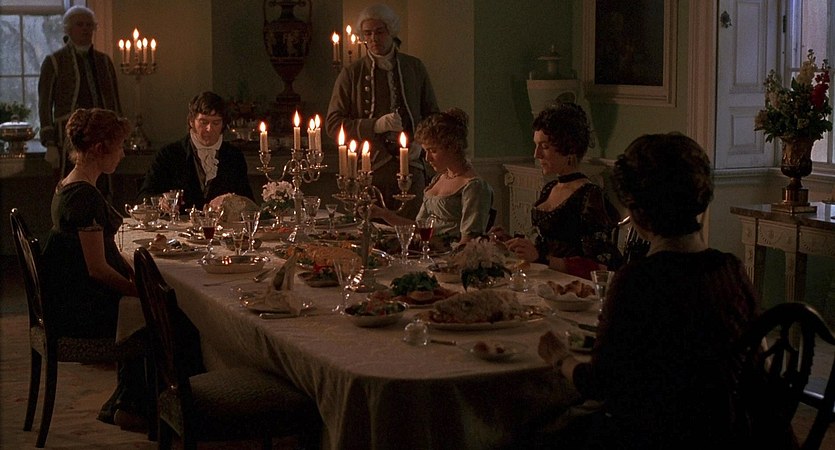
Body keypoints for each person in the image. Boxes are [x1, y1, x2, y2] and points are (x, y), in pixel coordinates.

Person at [534, 133, 760, 449]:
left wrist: (559, 357)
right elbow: (755, 368)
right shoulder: (731, 269)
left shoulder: (638, 280)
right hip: (729, 432)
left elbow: (600, 383)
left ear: (638, 211)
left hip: (657, 435)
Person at [39, 108, 147, 429]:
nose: (122, 153)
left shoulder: (69, 184)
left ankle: (130, 400)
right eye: (119, 146)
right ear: (100, 149)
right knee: (162, 312)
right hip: (81, 312)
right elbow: (97, 269)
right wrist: (138, 291)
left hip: (74, 299)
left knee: (149, 304)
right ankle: (134, 405)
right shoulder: (83, 197)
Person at [326, 3, 439, 219]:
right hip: (369, 171)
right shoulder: (352, 73)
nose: (373, 39)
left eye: (379, 32)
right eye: (367, 33)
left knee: (412, 230)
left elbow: (433, 116)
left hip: (411, 169)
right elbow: (333, 124)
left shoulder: (414, 67)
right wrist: (374, 125)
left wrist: (422, 145)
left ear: (391, 31)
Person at [495, 102, 621, 279]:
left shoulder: (589, 195)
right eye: (536, 145)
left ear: (570, 149)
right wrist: (510, 243)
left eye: (545, 146)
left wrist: (541, 258)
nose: (536, 154)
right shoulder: (550, 188)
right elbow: (545, 245)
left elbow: (599, 267)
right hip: (549, 279)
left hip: (574, 286)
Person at [372, 108, 493, 245]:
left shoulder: (474, 186)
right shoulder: (438, 179)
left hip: (450, 254)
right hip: (426, 250)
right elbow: (419, 228)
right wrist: (383, 214)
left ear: (452, 147)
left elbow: (468, 241)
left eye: (433, 151)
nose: (427, 158)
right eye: (426, 151)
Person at [38, 5, 122, 192]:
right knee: (71, 185)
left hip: (102, 135)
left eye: (89, 25)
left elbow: (114, 101)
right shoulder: (54, 61)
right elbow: (44, 104)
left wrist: (119, 135)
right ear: (68, 29)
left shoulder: (104, 61)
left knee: (103, 185)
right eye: (80, 25)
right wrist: (49, 142)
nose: (85, 29)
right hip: (69, 138)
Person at [138, 91, 254, 211]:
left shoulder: (234, 156)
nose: (209, 129)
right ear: (191, 122)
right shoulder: (169, 154)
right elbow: (143, 196)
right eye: (204, 122)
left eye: (216, 123)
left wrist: (232, 200)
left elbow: (248, 203)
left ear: (223, 124)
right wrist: (161, 201)